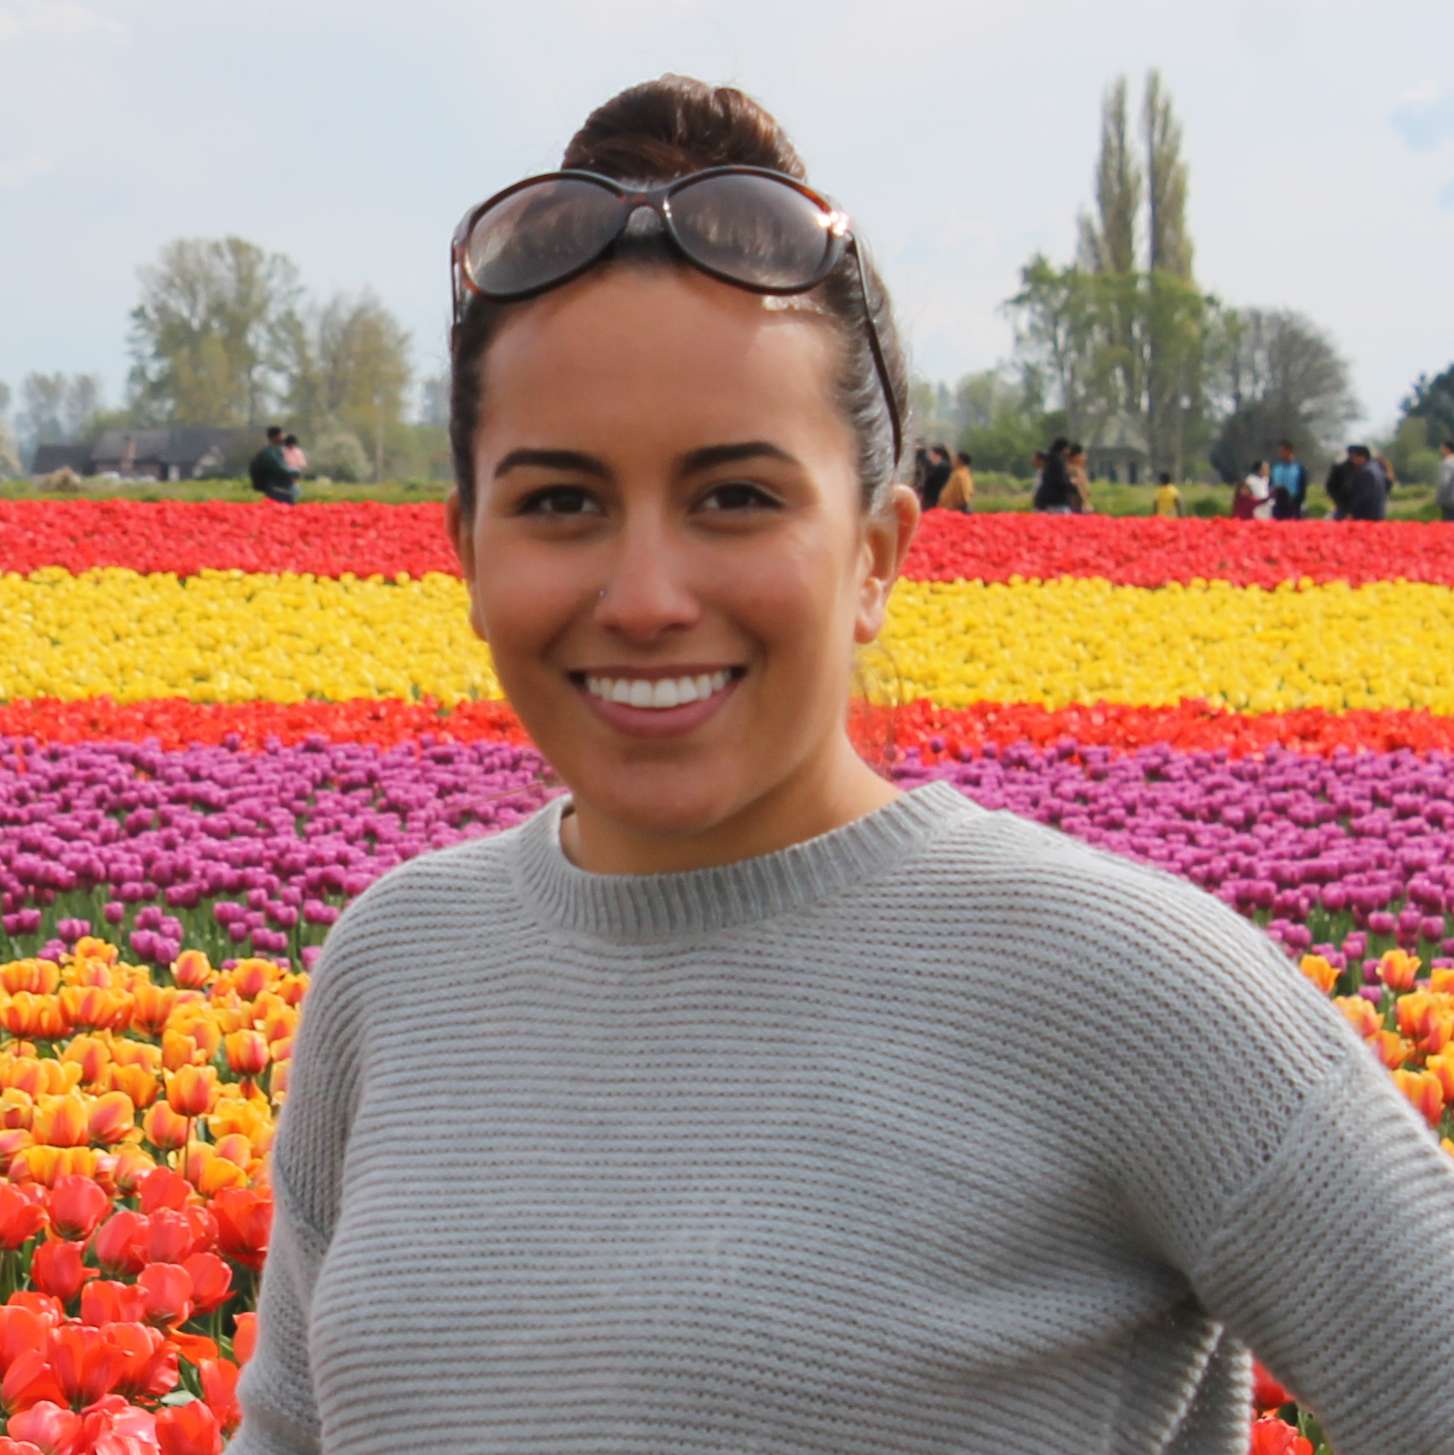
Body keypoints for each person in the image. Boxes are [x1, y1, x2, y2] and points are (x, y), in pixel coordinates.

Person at [232, 75, 1454, 1455]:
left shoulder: (1129, 990)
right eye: (559, 500)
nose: (645, 596)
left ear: (875, 554)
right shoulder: (399, 968)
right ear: (466, 550)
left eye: (735, 496)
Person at [247, 425, 300, 505]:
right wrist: (295, 472)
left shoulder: (277, 450)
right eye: (282, 434)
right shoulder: (269, 452)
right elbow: (280, 468)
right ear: (276, 436)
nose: (284, 437)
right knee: (282, 509)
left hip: (281, 487)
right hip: (277, 488)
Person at [1345, 444, 1387, 521]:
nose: (1351, 461)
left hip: (1366, 518)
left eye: (1352, 458)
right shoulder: (1376, 467)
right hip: (1377, 515)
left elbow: (1362, 497)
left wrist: (1348, 512)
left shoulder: (1365, 472)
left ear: (1362, 457)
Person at [1032, 437, 1074, 513]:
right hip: (1055, 501)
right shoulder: (1058, 461)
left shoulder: (1050, 459)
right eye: (1068, 448)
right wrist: (1071, 485)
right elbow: (1060, 481)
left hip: (1044, 500)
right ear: (1063, 448)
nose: (1069, 451)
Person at [1269, 440, 1307, 520]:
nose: (1280, 453)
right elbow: (1270, 485)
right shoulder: (1276, 468)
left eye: (1282, 451)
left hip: (1293, 505)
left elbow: (1302, 488)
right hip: (1278, 505)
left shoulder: (1299, 469)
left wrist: (1297, 502)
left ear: (1289, 451)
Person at [921, 443, 952, 510]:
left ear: (937, 455)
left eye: (931, 454)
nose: (930, 457)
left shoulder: (942, 466)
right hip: (935, 496)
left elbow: (931, 480)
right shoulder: (943, 465)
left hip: (934, 497)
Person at [1066, 441, 1092, 513]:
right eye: (1083, 456)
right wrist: (1086, 503)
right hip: (1074, 507)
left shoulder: (1079, 469)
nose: (1085, 458)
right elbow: (1078, 486)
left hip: (1079, 506)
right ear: (1076, 457)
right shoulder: (1071, 470)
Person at [1438, 438, 1454, 522]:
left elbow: (1445, 482)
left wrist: (1439, 499)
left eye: (1442, 448)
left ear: (1447, 449)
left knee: (1448, 524)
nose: (1441, 450)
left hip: (1449, 501)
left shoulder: (1447, 462)